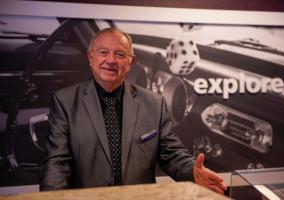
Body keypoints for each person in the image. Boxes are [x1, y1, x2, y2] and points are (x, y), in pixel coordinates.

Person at [40, 27, 227, 194]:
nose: (111, 60)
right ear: (91, 57)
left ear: (131, 62)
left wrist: (192, 172)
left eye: (120, 55)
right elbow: (57, 161)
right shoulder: (64, 101)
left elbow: (171, 153)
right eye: (103, 52)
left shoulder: (154, 103)